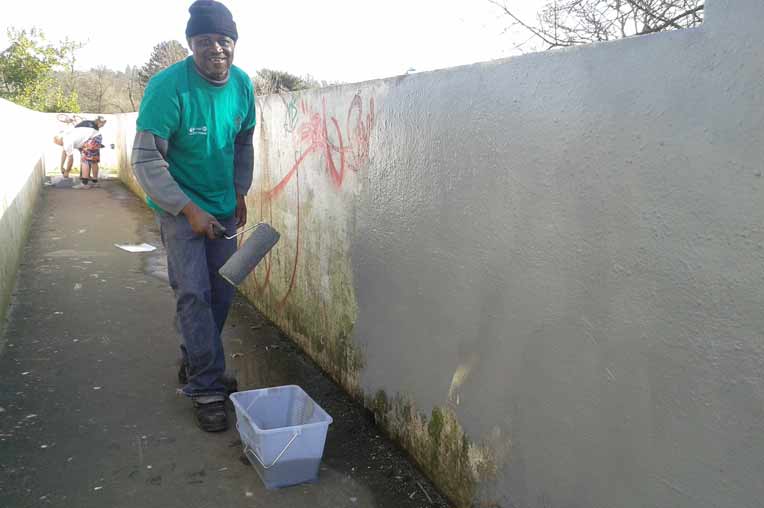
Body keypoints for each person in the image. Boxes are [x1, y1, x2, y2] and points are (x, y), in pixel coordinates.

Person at [131, 0, 256, 432]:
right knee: (194, 294)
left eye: (224, 40)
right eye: (205, 41)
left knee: (221, 294)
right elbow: (146, 160)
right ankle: (206, 387)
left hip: (222, 206)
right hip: (178, 207)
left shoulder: (242, 86)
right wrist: (188, 210)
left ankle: (196, 356)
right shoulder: (168, 88)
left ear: (234, 43)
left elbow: (244, 140)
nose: (216, 49)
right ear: (191, 44)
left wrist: (240, 189)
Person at [74, 116, 107, 189]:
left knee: (85, 161)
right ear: (98, 121)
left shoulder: (87, 123)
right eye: (102, 124)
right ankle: (95, 182)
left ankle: (84, 184)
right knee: (94, 161)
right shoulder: (93, 126)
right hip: (96, 139)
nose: (102, 126)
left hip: (90, 140)